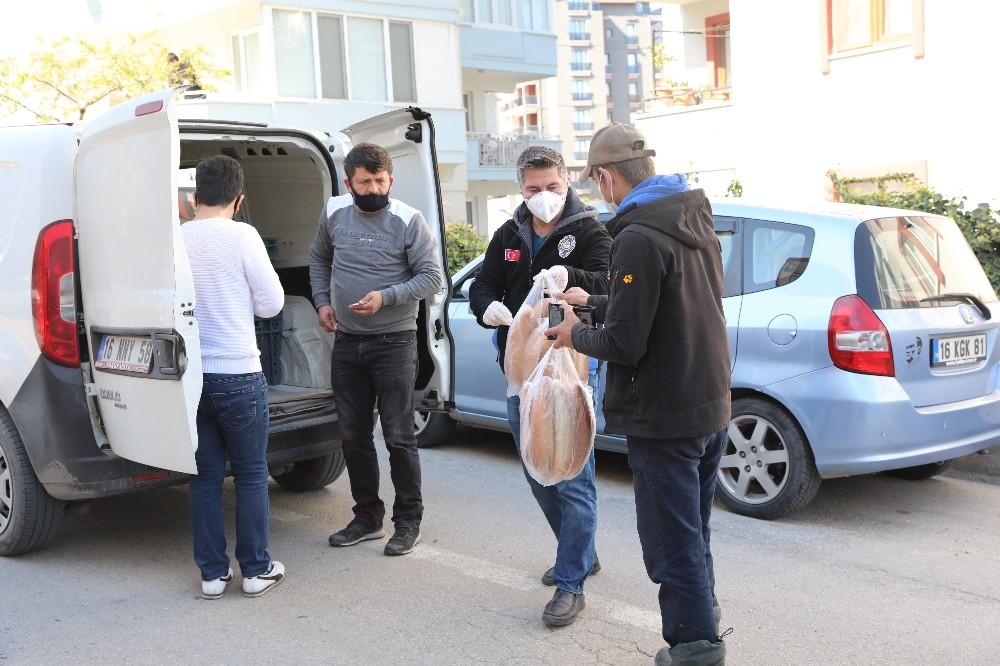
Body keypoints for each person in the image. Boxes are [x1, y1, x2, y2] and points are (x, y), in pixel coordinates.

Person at [545, 123, 731, 666]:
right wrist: (598, 299)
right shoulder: (690, 218)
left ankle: (696, 647)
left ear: (606, 176)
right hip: (706, 400)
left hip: (664, 413)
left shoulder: (638, 235)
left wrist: (572, 332)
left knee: (669, 541)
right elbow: (666, 308)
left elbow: (626, 343)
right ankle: (703, 617)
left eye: (595, 181)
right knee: (692, 530)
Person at [469, 145, 611, 627]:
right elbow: (482, 284)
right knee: (537, 468)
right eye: (533, 189)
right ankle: (581, 551)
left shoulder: (590, 230)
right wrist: (487, 307)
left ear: (567, 182)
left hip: (573, 366)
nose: (544, 196)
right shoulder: (509, 233)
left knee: (571, 473)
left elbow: (610, 284)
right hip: (521, 371)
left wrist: (569, 275)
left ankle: (571, 582)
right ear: (521, 189)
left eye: (552, 187)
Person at [309, 142, 443, 557]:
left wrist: (386, 297)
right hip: (348, 343)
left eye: (380, 181)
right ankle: (367, 518)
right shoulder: (333, 213)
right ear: (349, 183)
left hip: (394, 343)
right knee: (353, 436)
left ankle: (408, 522)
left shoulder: (408, 220)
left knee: (399, 437)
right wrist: (322, 301)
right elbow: (318, 258)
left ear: (391, 180)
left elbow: (432, 277)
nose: (373, 189)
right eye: (365, 182)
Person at [181, 154, 286, 599]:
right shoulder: (244, 236)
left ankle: (211, 575)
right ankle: (256, 571)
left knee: (204, 477)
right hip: (239, 375)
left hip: (190, 377)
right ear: (239, 199)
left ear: (194, 197)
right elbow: (271, 304)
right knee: (248, 474)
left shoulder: (176, 238)